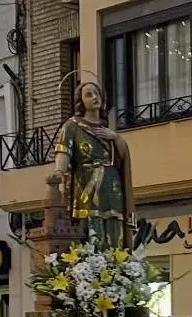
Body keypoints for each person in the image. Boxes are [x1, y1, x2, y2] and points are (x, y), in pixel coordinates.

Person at [52, 82, 135, 248]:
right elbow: (64, 152)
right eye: (89, 95)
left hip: (112, 186)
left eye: (97, 94)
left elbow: (122, 158)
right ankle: (92, 264)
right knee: (91, 225)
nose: (94, 98)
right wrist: (59, 172)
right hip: (87, 184)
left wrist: (116, 138)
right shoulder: (72, 126)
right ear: (81, 101)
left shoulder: (108, 130)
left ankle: (116, 264)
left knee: (113, 225)